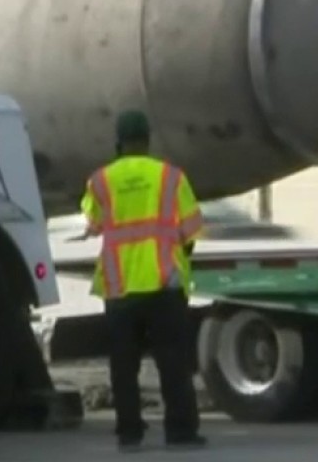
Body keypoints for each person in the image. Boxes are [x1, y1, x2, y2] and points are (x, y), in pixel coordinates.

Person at [81, 110, 208, 452]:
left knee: (124, 367)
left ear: (119, 143)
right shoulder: (171, 177)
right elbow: (191, 231)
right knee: (173, 362)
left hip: (120, 288)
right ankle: (180, 431)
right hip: (165, 284)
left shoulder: (101, 181)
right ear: (148, 140)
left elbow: (93, 223)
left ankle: (129, 433)